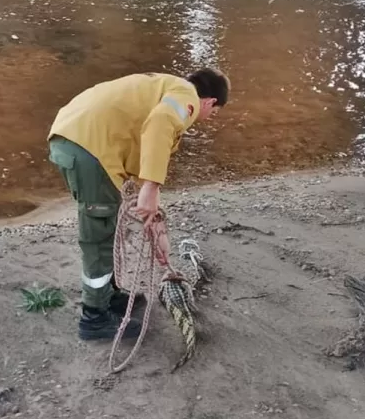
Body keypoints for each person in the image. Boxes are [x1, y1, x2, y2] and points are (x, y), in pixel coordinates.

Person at [47, 68, 230, 341]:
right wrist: (153, 186)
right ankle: (94, 318)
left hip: (81, 137)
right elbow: (161, 123)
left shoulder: (164, 87)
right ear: (210, 102)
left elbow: (143, 145)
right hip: (86, 145)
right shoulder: (186, 98)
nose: (208, 117)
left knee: (107, 223)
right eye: (213, 112)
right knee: (98, 234)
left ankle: (106, 297)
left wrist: (157, 231)